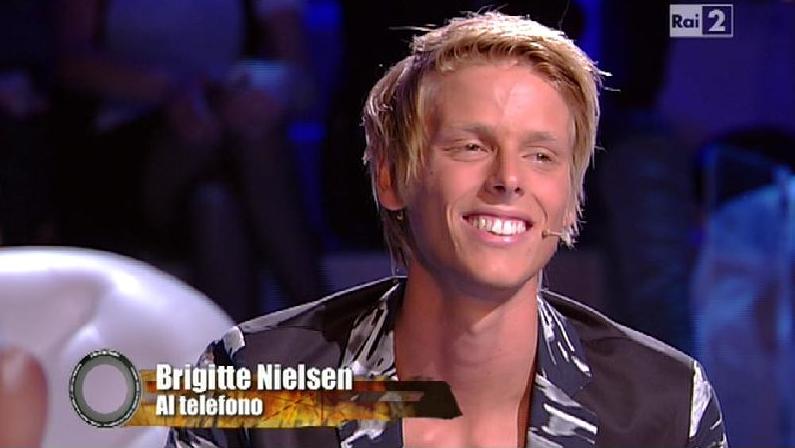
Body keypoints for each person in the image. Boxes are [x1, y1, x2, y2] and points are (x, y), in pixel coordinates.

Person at [166, 12, 727, 448]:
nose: (508, 179)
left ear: (571, 200)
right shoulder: (248, 384)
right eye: (471, 147)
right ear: (390, 178)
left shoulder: (666, 406)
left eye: (541, 155)